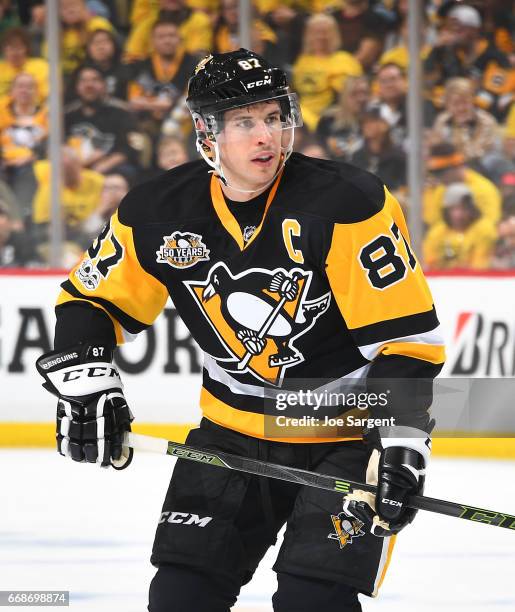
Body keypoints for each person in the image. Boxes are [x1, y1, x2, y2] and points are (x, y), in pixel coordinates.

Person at [36, 50, 444, 611]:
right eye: (246, 122)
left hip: (346, 441)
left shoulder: (348, 203)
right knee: (182, 597)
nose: (267, 137)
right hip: (228, 436)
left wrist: (400, 442)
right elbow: (90, 302)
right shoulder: (156, 212)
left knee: (311, 601)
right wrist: (88, 384)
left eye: (275, 117)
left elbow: (407, 344)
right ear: (207, 133)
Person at [423, 182, 498, 270]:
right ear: (446, 211)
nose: (458, 215)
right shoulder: (437, 231)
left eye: (463, 208)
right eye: (453, 209)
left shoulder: (484, 229)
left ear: (472, 209)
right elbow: (427, 265)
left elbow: (479, 267)